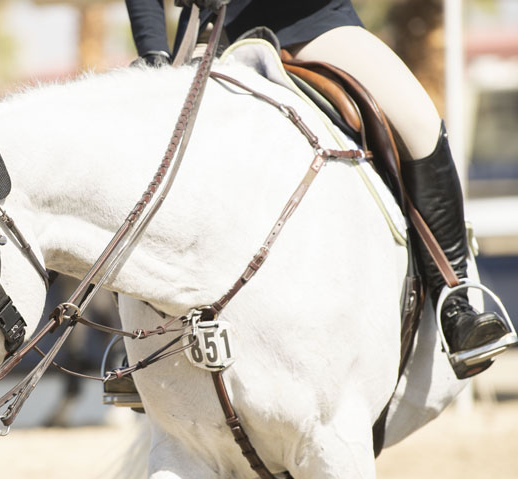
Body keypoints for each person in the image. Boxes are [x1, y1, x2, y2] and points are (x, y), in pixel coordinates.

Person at [123, 0, 516, 378]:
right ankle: (141, 347)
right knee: (140, 150)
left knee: (420, 124)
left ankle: (455, 304)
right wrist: (153, 48)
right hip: (208, 36)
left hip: (310, 28)